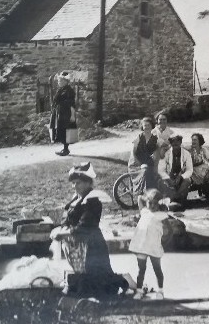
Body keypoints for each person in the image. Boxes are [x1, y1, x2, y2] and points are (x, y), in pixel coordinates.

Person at [50, 162, 120, 296]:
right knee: (81, 271)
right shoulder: (76, 199)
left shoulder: (93, 201)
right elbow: (67, 217)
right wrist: (63, 227)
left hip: (92, 243)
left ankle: (104, 296)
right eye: (73, 183)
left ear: (88, 183)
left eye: (78, 183)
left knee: (95, 273)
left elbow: (86, 224)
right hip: (78, 242)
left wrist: (66, 232)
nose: (75, 186)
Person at [129, 189, 169, 299]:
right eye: (150, 203)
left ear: (159, 204)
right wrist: (146, 196)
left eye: (155, 203)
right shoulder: (144, 212)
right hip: (141, 246)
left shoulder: (162, 215)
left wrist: (164, 242)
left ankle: (160, 291)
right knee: (141, 269)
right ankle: (139, 290)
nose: (152, 205)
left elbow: (169, 231)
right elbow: (139, 199)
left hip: (154, 246)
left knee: (157, 269)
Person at [158, 134, 193, 204]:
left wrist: (181, 177)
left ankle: (175, 196)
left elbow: (190, 170)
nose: (175, 143)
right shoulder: (166, 154)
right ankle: (174, 197)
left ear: (180, 142)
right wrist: (168, 179)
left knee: (188, 181)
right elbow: (161, 170)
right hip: (169, 177)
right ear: (170, 143)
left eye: (177, 141)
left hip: (181, 178)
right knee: (160, 182)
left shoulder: (186, 154)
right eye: (173, 142)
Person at [128, 115, 159, 189]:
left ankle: (152, 190)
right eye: (145, 125)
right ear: (142, 127)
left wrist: (155, 164)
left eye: (149, 125)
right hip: (136, 162)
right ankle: (143, 191)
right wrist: (140, 164)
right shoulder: (139, 138)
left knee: (155, 171)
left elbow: (156, 152)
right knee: (145, 171)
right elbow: (134, 153)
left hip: (147, 161)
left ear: (152, 126)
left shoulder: (154, 139)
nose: (147, 127)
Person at [50, 73, 76, 156]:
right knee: (61, 130)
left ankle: (66, 149)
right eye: (58, 80)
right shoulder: (61, 89)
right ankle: (65, 149)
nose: (58, 82)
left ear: (65, 81)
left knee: (66, 130)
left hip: (66, 113)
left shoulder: (69, 91)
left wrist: (72, 115)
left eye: (60, 80)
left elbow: (72, 104)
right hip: (60, 112)